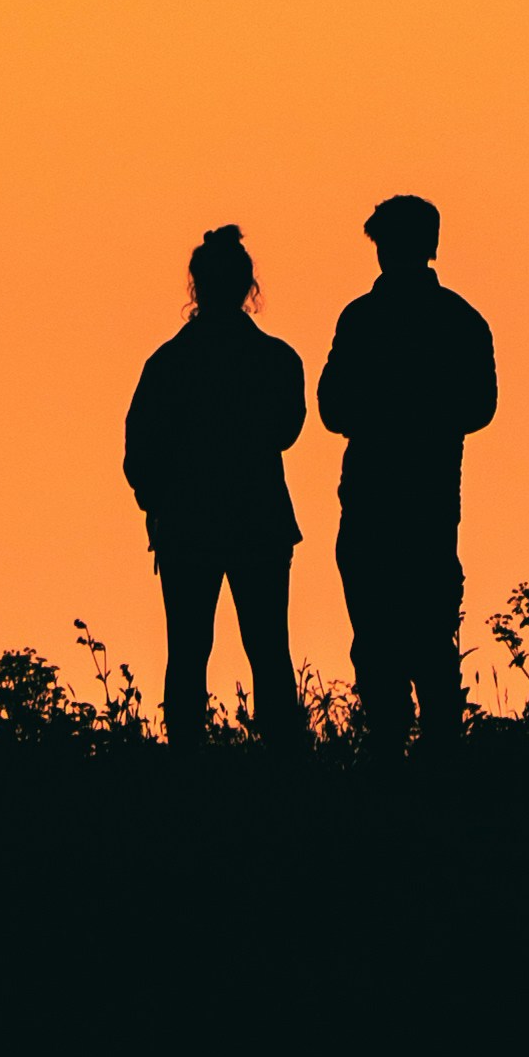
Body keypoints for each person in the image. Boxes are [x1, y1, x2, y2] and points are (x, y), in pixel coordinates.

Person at [317, 193, 499, 748]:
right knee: (429, 635)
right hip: (430, 500)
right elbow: (480, 407)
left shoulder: (362, 318)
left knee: (377, 635)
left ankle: (389, 754)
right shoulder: (461, 320)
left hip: (375, 500)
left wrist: (380, 413)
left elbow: (331, 407)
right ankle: (439, 754)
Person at [120, 226, 309, 748]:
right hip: (259, 524)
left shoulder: (167, 364)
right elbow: (287, 431)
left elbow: (138, 453)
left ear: (196, 287)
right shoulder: (276, 360)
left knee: (186, 652)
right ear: (248, 286)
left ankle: (186, 770)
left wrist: (158, 504)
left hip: (188, 527)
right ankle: (283, 767)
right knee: (270, 649)